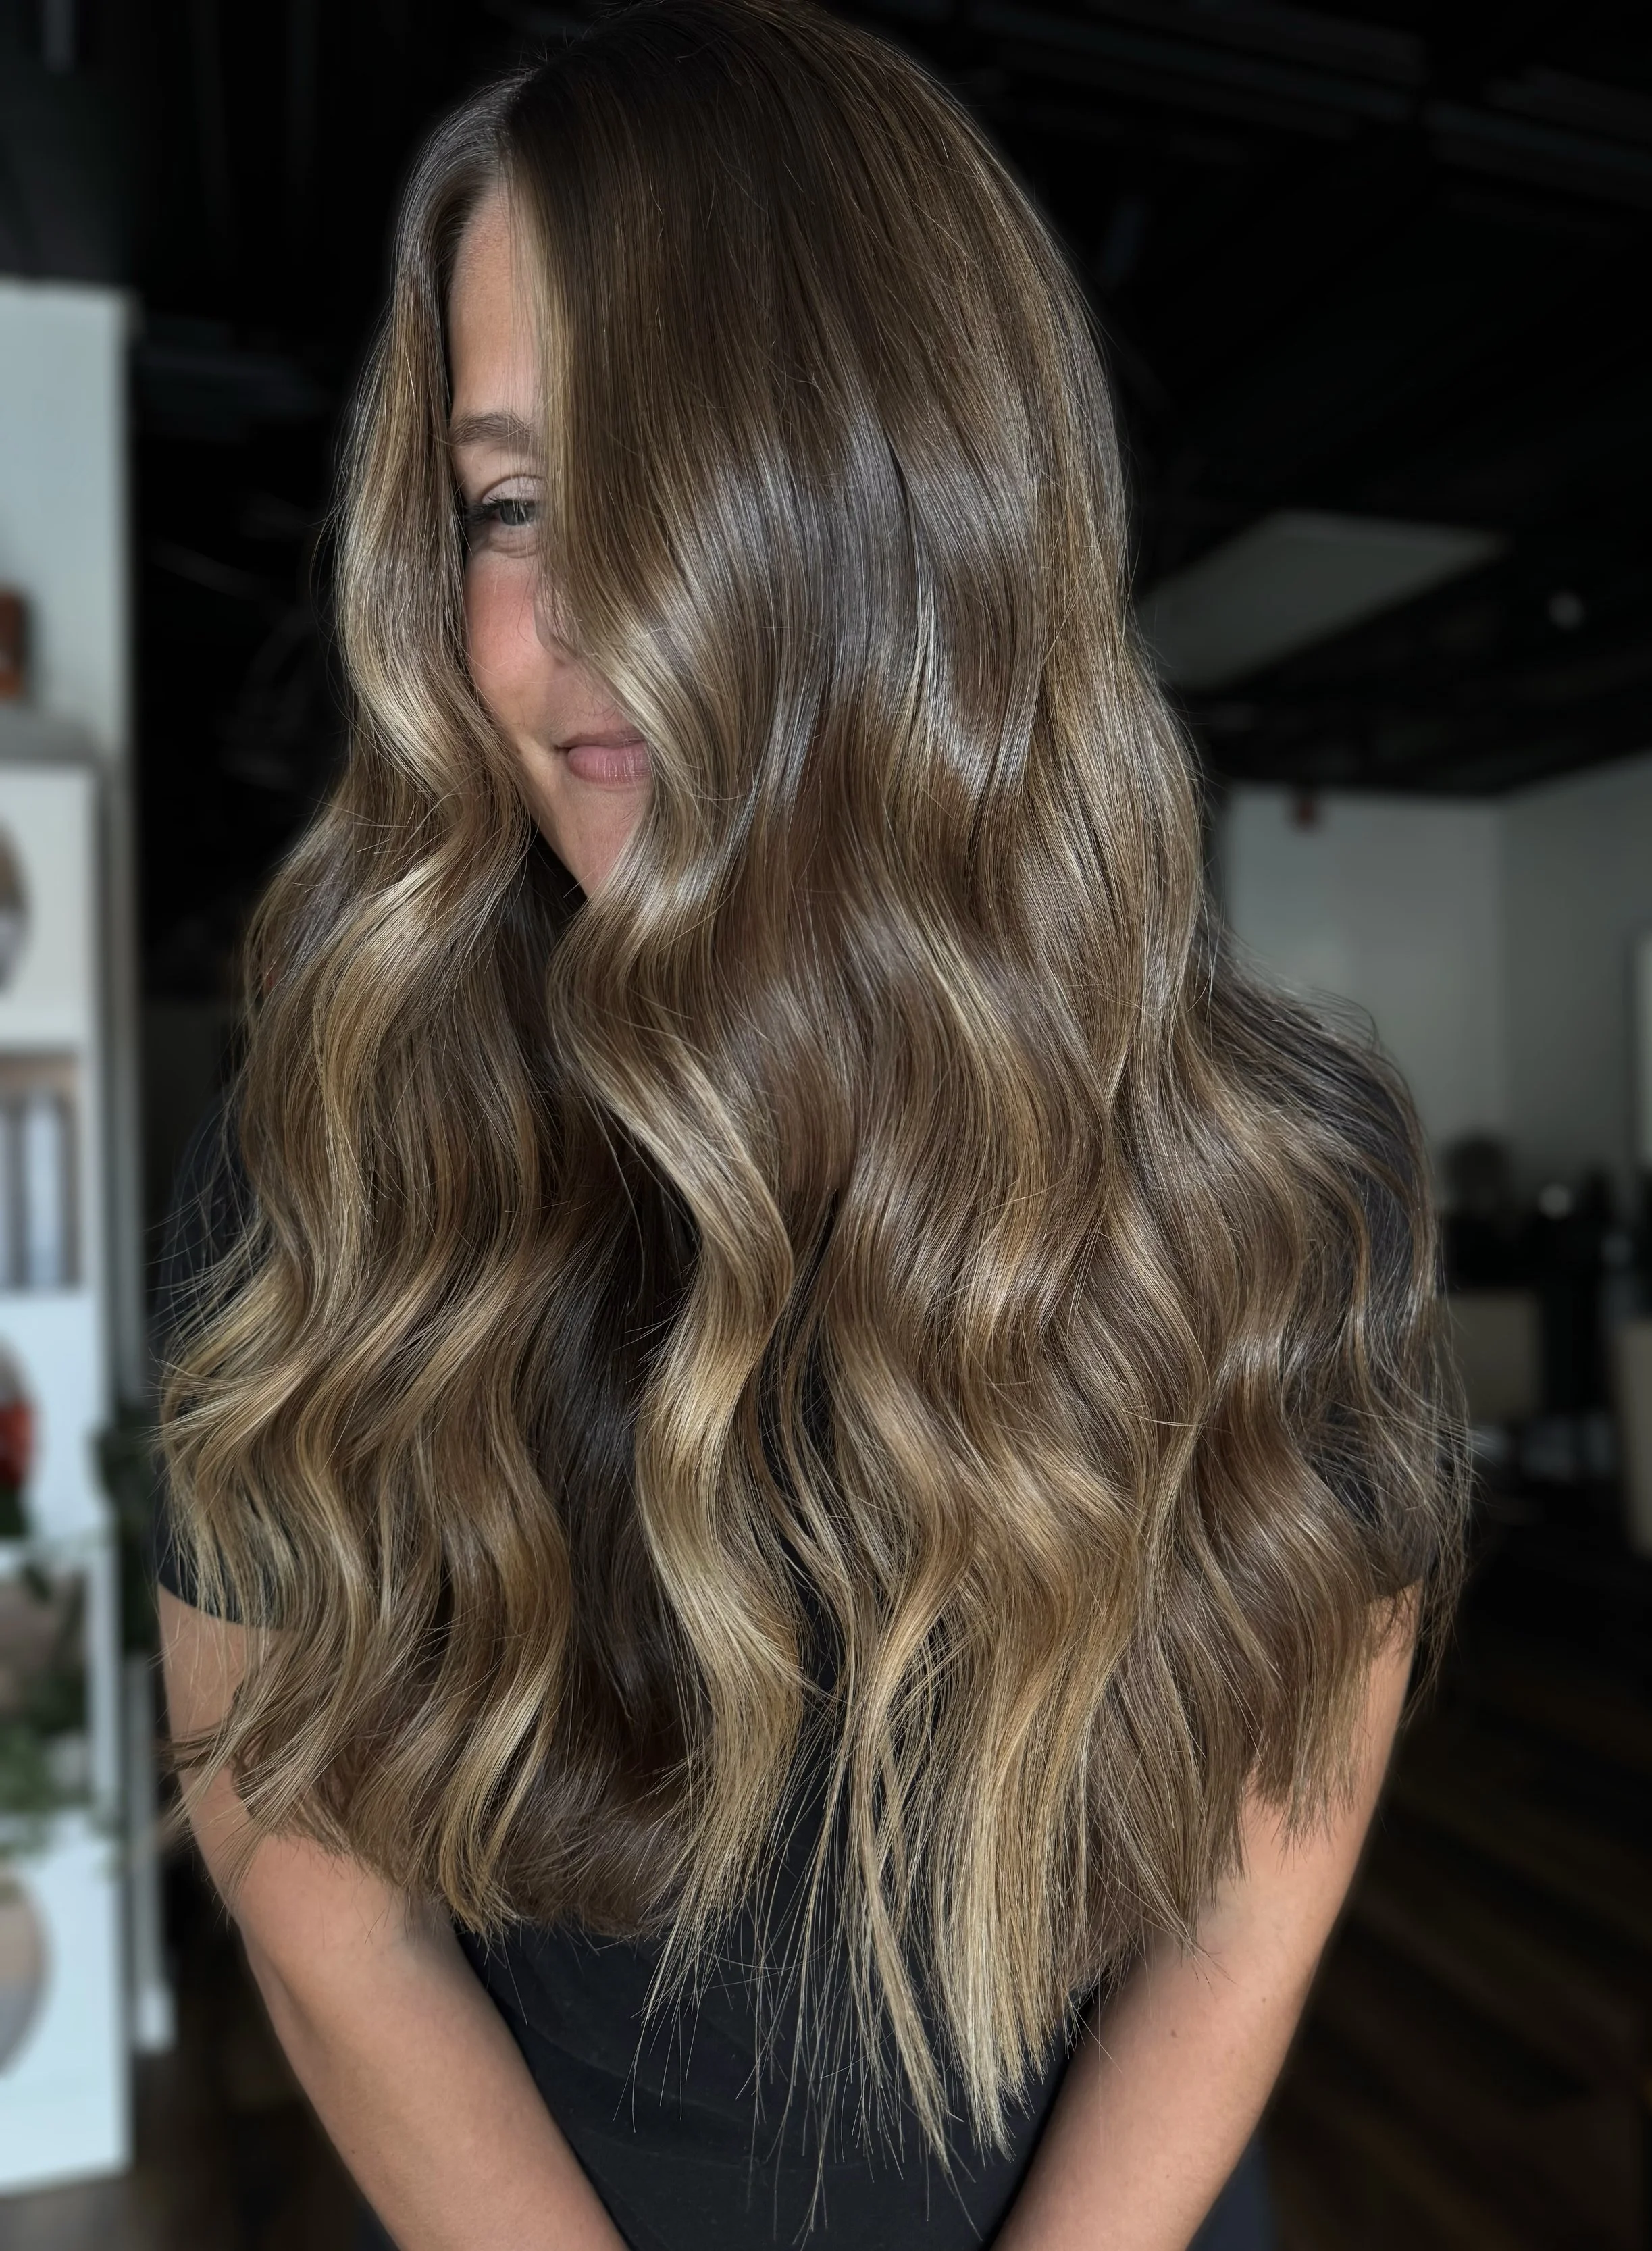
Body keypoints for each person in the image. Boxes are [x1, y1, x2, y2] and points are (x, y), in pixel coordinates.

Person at [152, 5, 1466, 2247]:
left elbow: (1253, 1899)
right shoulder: (340, 1163)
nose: (572, 622)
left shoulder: (1279, 1184)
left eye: (674, 482)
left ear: (917, 511)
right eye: (509, 501)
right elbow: (304, 1876)